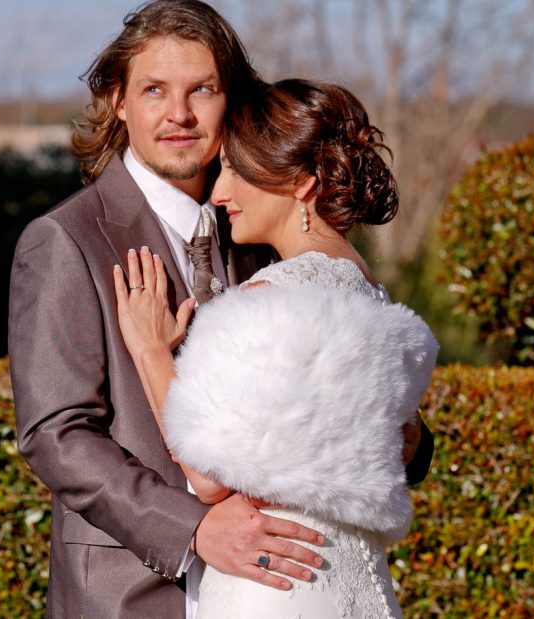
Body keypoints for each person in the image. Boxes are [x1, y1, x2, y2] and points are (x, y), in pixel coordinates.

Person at [9, 0, 433, 619]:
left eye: (201, 89)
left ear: (230, 98)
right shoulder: (66, 240)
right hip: (129, 596)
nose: (178, 114)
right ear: (119, 103)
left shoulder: (263, 229)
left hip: (284, 588)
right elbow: (56, 434)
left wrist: (407, 436)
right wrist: (192, 530)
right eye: (154, 89)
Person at [112, 78, 439, 618]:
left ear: (302, 182)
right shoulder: (367, 290)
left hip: (277, 585)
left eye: (236, 171)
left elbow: (209, 477)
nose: (220, 194)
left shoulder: (269, 296)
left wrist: (150, 352)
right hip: (359, 587)